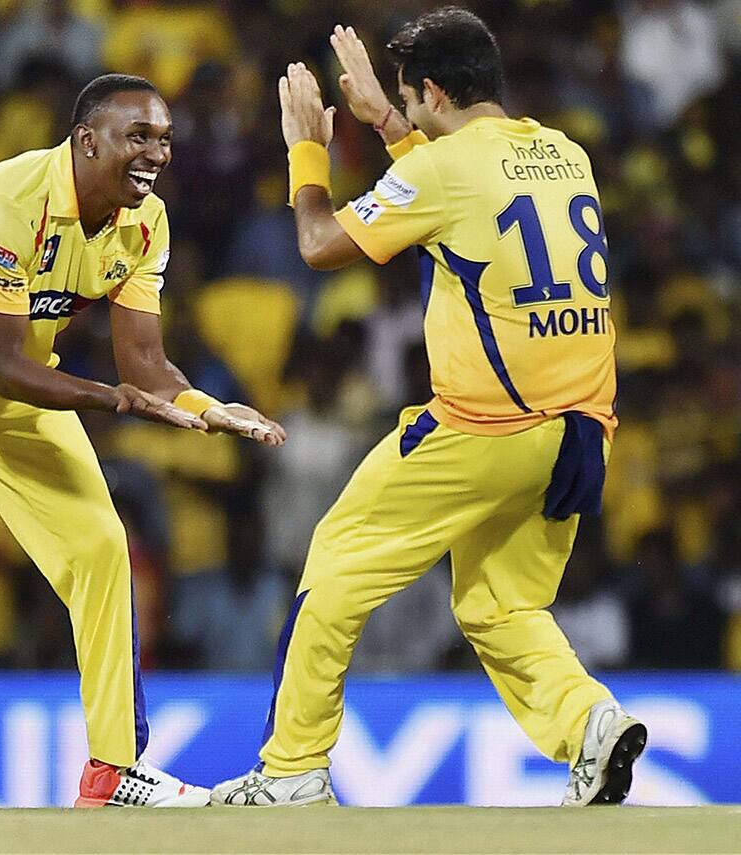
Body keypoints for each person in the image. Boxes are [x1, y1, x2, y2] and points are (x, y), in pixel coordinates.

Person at [212, 8, 646, 808]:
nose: (407, 113)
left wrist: (306, 145)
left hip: (482, 430)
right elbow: (458, 202)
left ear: (436, 93)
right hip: (579, 430)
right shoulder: (564, 153)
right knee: (499, 603)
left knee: (334, 567)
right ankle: (590, 721)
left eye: (412, 101)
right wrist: (383, 117)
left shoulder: (445, 170)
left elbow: (318, 243)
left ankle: (292, 768)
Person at [0, 73, 285, 809]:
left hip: (20, 371)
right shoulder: (7, 204)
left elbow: (144, 363)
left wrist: (203, 403)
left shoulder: (147, 223)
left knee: (103, 545)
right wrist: (114, 400)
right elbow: (5, 363)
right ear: (87, 140)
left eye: (164, 139)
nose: (157, 153)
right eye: (140, 136)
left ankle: (113, 770)